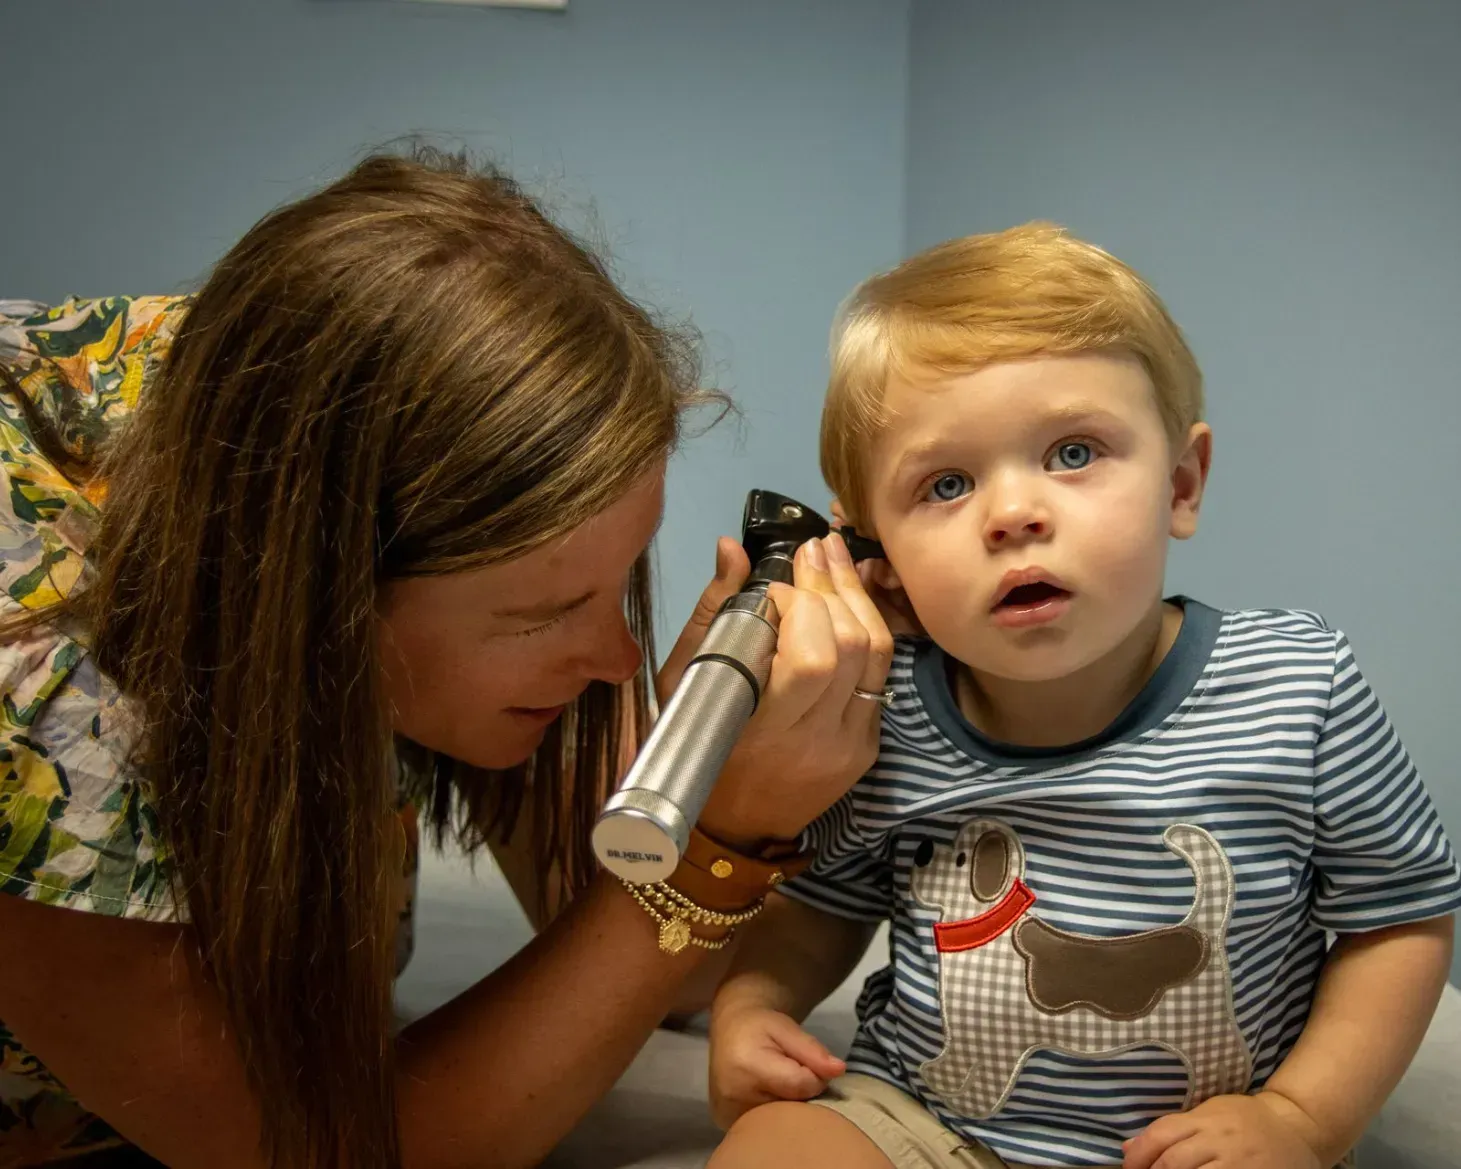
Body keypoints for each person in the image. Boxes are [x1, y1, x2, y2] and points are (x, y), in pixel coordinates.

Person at [0, 147, 894, 1169]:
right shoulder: (36, 676)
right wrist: (720, 838)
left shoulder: (339, 369)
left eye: (617, 582)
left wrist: (708, 791)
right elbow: (313, 1150)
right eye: (543, 611)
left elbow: (656, 969)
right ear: (315, 600)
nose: (614, 659)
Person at [705, 224, 1461, 1169]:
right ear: (881, 559)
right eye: (946, 482)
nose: (1013, 513)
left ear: (1180, 484)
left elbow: (1400, 916)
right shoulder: (883, 706)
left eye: (1072, 453)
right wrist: (752, 1006)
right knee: (768, 1151)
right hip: (920, 1120)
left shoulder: (1296, 687)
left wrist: (1303, 1119)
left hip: (1205, 1142)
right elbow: (821, 905)